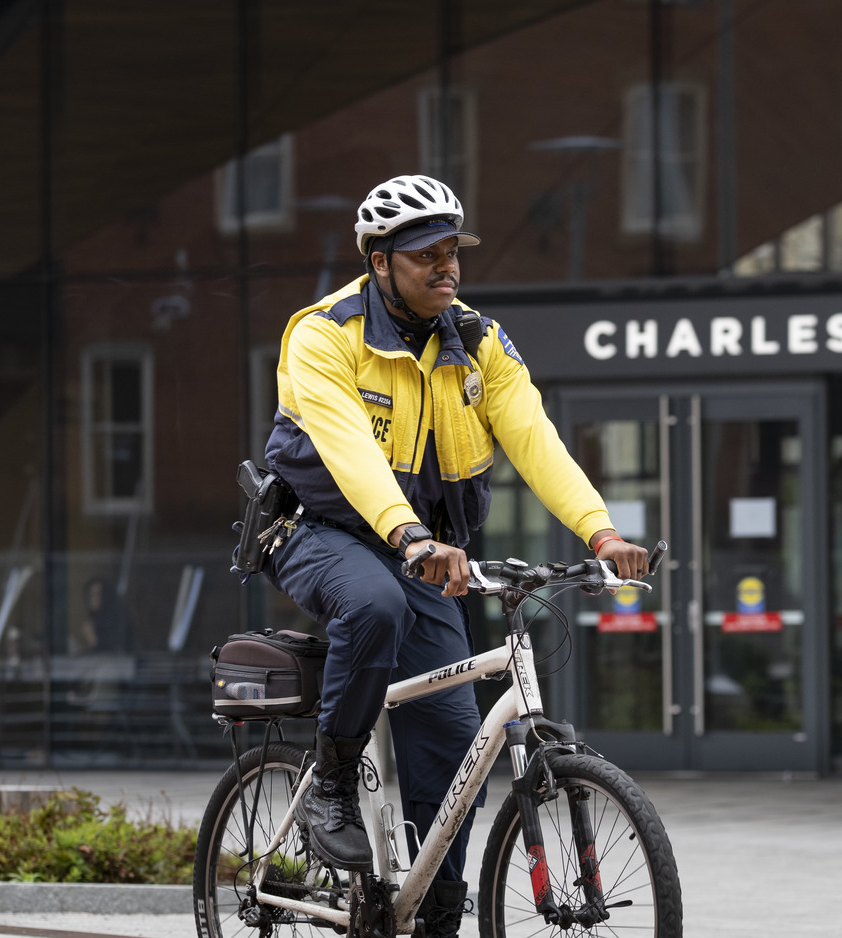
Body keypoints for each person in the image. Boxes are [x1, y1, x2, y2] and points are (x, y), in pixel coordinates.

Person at [260, 173, 648, 936]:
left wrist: (598, 530)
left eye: (452, 252)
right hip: (318, 530)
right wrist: (408, 536)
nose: (447, 268)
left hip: (425, 553)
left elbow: (535, 439)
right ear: (380, 263)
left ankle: (435, 915)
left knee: (450, 750)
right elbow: (349, 455)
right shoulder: (323, 336)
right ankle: (334, 782)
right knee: (369, 603)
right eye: (425, 256)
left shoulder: (474, 341)